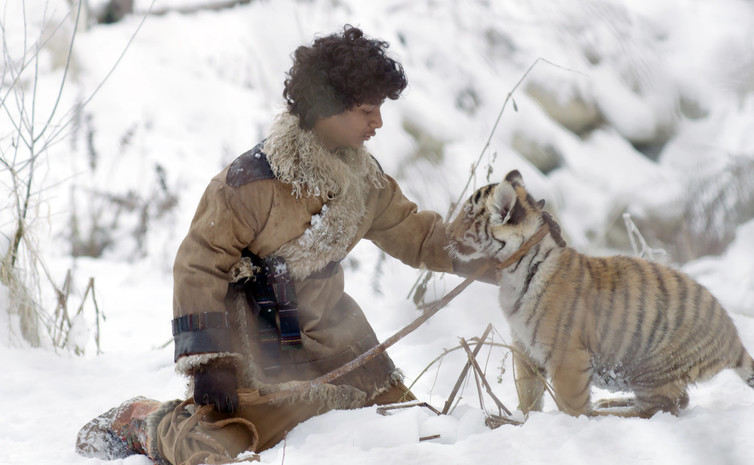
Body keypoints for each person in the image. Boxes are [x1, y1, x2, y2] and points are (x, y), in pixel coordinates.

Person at [75, 25, 493, 465]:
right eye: (368, 109)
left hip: (336, 339)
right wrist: (208, 362)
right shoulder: (247, 184)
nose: (379, 122)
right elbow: (198, 265)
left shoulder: (366, 182)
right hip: (257, 346)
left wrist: (504, 257)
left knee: (406, 428)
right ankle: (146, 421)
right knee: (218, 449)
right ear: (327, 107)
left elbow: (419, 234)